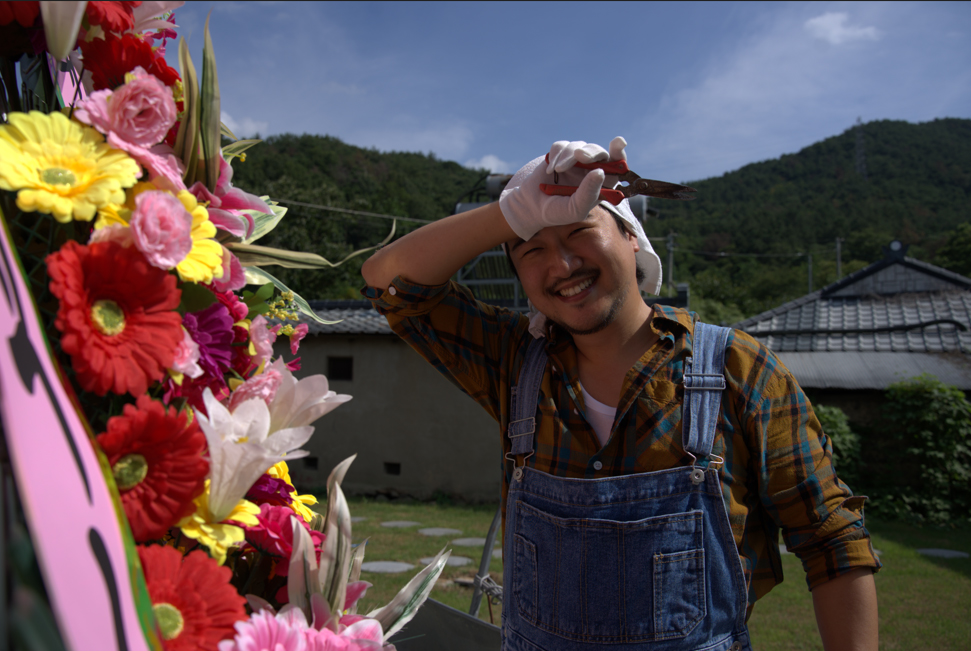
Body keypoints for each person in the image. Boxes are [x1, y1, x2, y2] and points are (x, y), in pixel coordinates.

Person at [361, 137, 880, 651]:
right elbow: (389, 283)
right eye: (532, 248)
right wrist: (514, 209)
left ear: (632, 237)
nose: (562, 266)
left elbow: (830, 539)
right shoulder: (514, 362)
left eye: (580, 230)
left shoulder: (739, 370)